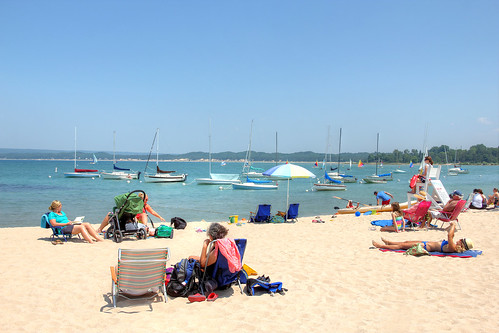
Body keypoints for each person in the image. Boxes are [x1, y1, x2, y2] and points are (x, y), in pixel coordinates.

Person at [372, 222, 473, 253]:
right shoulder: (454, 246)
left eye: (462, 240)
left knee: (402, 246)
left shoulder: (453, 247)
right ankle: (389, 242)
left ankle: (380, 245)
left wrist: (453, 226)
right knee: (406, 241)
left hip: (426, 246)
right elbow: (452, 236)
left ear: (462, 244)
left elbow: (450, 235)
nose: (460, 240)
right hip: (426, 242)